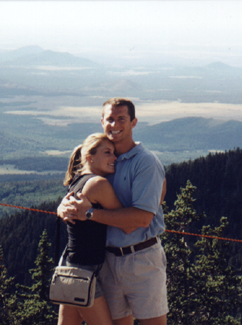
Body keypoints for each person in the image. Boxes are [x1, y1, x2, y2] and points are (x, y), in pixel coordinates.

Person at [58, 98, 168, 325]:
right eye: (110, 118)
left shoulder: (145, 162)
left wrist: (89, 214)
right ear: (102, 122)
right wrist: (63, 206)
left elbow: (142, 219)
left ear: (133, 122)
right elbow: (84, 189)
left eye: (121, 119)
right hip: (107, 260)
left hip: (141, 259)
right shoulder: (107, 162)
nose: (114, 124)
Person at [57, 133, 125, 325]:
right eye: (107, 153)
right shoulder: (97, 183)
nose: (114, 158)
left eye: (113, 152)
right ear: (89, 157)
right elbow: (125, 220)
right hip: (84, 270)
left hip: (72, 263)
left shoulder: (78, 180)